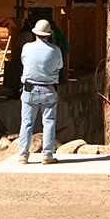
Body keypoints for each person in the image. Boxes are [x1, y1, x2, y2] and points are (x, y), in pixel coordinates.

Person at [18, 19, 63, 165]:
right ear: (49, 35)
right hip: (48, 89)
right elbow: (60, 66)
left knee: (26, 123)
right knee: (49, 122)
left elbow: (24, 62)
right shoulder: (55, 50)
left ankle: (23, 155)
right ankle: (47, 155)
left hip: (29, 89)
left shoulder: (26, 47)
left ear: (35, 34)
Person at [50, 20, 70, 84]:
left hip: (63, 48)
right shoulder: (55, 31)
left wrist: (58, 49)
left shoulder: (56, 30)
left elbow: (59, 40)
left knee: (62, 63)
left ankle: (64, 79)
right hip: (63, 47)